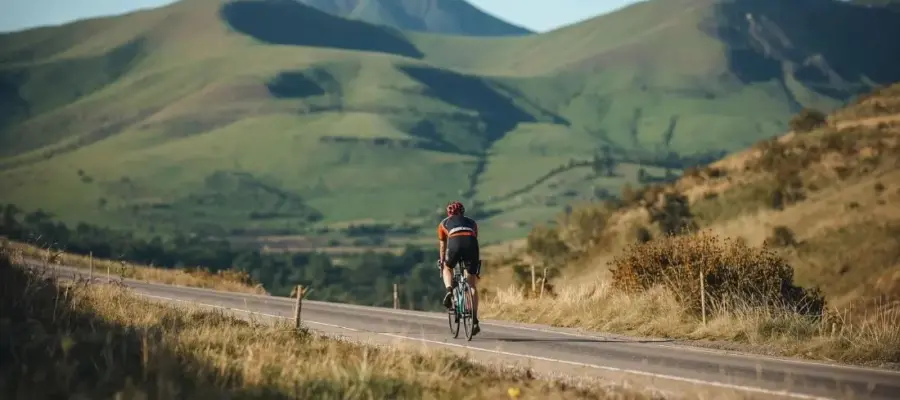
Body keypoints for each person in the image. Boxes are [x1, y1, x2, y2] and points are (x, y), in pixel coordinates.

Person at [437, 200, 481, 335]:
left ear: (448, 213)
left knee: (447, 268)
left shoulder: (443, 223)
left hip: (454, 244)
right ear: (463, 212)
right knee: (472, 284)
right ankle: (474, 318)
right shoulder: (472, 222)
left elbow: (443, 246)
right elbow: (473, 238)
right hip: (471, 245)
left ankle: (449, 290)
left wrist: (443, 261)